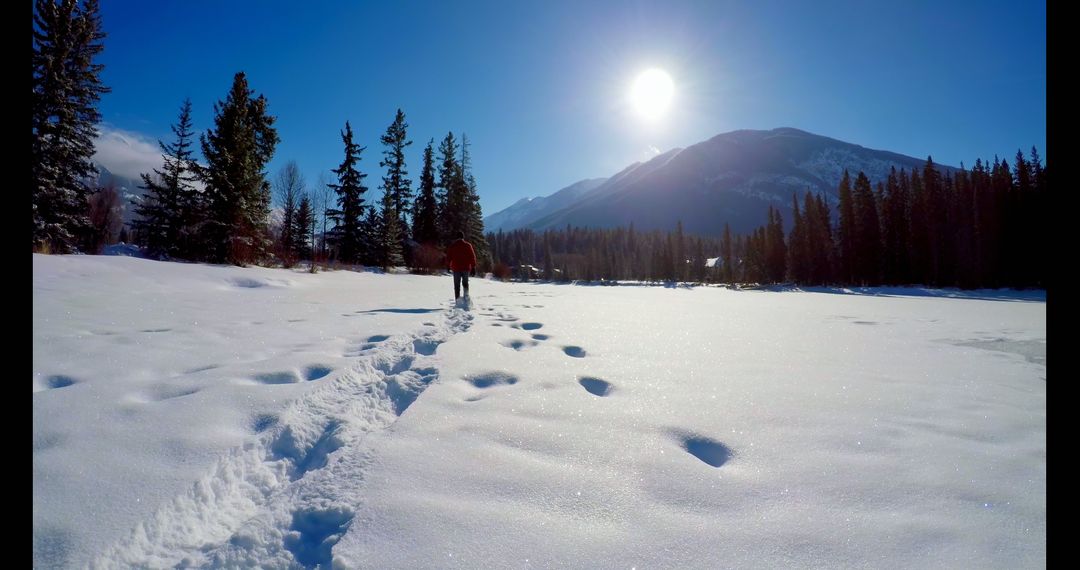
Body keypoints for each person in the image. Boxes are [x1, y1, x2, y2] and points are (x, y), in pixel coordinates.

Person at [445, 230, 477, 299]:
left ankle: (457, 300)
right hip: (466, 268)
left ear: (456, 237)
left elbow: (448, 257)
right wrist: (473, 267)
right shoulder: (468, 245)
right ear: (463, 237)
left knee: (457, 286)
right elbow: (472, 256)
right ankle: (466, 299)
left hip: (456, 268)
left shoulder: (452, 246)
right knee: (465, 284)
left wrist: (448, 266)